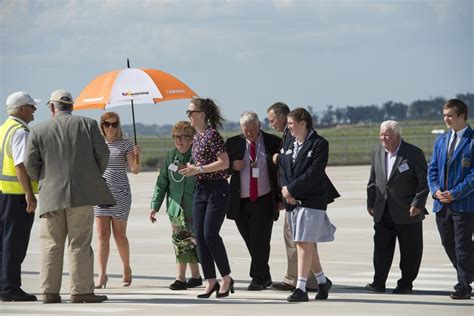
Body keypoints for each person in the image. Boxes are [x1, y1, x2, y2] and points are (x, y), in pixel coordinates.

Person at [25, 89, 114, 304]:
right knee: (80, 243)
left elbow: (29, 163)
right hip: (82, 195)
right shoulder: (88, 124)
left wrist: (44, 181)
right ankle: (81, 291)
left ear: (52, 107)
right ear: (71, 106)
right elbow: (103, 154)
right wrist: (91, 176)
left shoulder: (38, 130)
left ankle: (49, 292)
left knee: (51, 244)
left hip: (51, 196)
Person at [278, 107, 337, 302]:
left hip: (312, 201)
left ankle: (301, 288)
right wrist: (286, 191)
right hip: (292, 202)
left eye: (291, 123)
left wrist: (293, 190)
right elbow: (283, 170)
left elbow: (314, 173)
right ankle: (322, 282)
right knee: (306, 243)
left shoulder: (320, 144)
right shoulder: (289, 144)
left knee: (303, 243)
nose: (288, 127)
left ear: (303, 123)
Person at [179, 98, 234, 298]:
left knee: (210, 234)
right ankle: (211, 280)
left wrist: (199, 169)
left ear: (202, 114)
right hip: (201, 189)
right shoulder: (198, 137)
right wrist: (190, 170)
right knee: (199, 237)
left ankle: (226, 278)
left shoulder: (212, 135)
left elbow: (224, 162)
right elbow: (199, 164)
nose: (188, 116)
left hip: (217, 189)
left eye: (190, 112)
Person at [366, 120, 428, 294]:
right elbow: (373, 181)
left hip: (408, 211)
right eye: (381, 134)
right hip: (382, 211)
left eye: (387, 134)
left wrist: (418, 203)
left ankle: (405, 284)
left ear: (397, 135)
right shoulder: (377, 152)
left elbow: (423, 183)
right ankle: (378, 282)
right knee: (381, 250)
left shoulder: (413, 153)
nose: (383, 138)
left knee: (410, 251)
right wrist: (370, 202)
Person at [225, 111, 281, 291]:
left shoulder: (273, 142)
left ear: (259, 126)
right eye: (245, 130)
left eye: (251, 130)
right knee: (251, 240)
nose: (248, 133)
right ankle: (265, 275)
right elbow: (223, 170)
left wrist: (280, 198)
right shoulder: (233, 143)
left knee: (261, 240)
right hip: (241, 200)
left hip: (264, 198)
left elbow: (281, 172)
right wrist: (232, 166)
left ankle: (257, 278)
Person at [266, 102, 318, 292]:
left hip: (298, 197)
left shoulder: (295, 137)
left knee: (298, 239)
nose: (271, 124)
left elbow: (297, 168)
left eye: (272, 120)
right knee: (298, 239)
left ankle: (298, 279)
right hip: (291, 195)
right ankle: (309, 279)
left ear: (282, 117)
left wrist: (289, 192)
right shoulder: (289, 135)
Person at [427, 99, 474, 300]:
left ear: (462, 116)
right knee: (448, 243)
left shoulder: (472, 141)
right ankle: (467, 274)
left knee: (462, 246)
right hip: (442, 204)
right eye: (444, 115)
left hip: (464, 204)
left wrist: (455, 193)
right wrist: (436, 190)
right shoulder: (441, 141)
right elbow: (433, 170)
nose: (446, 119)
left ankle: (463, 284)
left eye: (450, 115)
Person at [149, 121, 202, 291]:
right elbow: (161, 183)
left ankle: (195, 277)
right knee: (181, 241)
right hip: (176, 208)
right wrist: (154, 206)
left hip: (194, 206)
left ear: (192, 139)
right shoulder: (170, 156)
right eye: (176, 137)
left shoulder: (197, 156)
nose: (179, 140)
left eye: (184, 136)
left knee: (192, 242)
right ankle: (181, 278)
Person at [94, 112, 140, 289]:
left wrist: (137, 155)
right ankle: (102, 275)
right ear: (102, 125)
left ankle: (126, 269)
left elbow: (135, 170)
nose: (111, 128)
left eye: (114, 124)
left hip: (120, 193)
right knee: (102, 235)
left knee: (119, 235)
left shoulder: (125, 143)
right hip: (100, 193)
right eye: (107, 124)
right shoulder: (97, 144)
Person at [0, 92, 38, 302]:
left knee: (3, 245)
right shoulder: (20, 132)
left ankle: (3, 285)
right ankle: (10, 288)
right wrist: (29, 195)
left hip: (2, 194)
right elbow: (20, 165)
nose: (34, 111)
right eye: (32, 107)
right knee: (14, 245)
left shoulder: (3, 129)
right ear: (22, 109)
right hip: (16, 197)